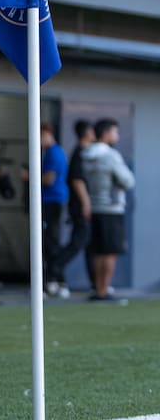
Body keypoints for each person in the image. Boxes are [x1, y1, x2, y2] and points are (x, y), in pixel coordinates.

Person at [81, 118, 135, 301]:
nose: (117, 136)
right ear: (105, 133)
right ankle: (104, 290)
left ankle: (98, 289)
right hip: (111, 208)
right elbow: (128, 180)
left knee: (98, 250)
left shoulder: (86, 154)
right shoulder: (110, 155)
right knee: (110, 251)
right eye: (115, 132)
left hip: (94, 207)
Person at [51, 119, 95, 293]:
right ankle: (54, 267)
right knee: (78, 243)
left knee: (86, 243)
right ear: (86, 132)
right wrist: (86, 204)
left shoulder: (85, 152)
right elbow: (77, 181)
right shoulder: (79, 153)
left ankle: (94, 283)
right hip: (78, 206)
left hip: (79, 205)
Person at [38, 123, 69, 297]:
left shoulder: (53, 153)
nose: (39, 141)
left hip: (52, 201)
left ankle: (55, 280)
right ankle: (56, 281)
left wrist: (29, 176)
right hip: (53, 201)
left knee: (50, 242)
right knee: (50, 242)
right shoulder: (52, 152)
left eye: (41, 136)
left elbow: (48, 179)